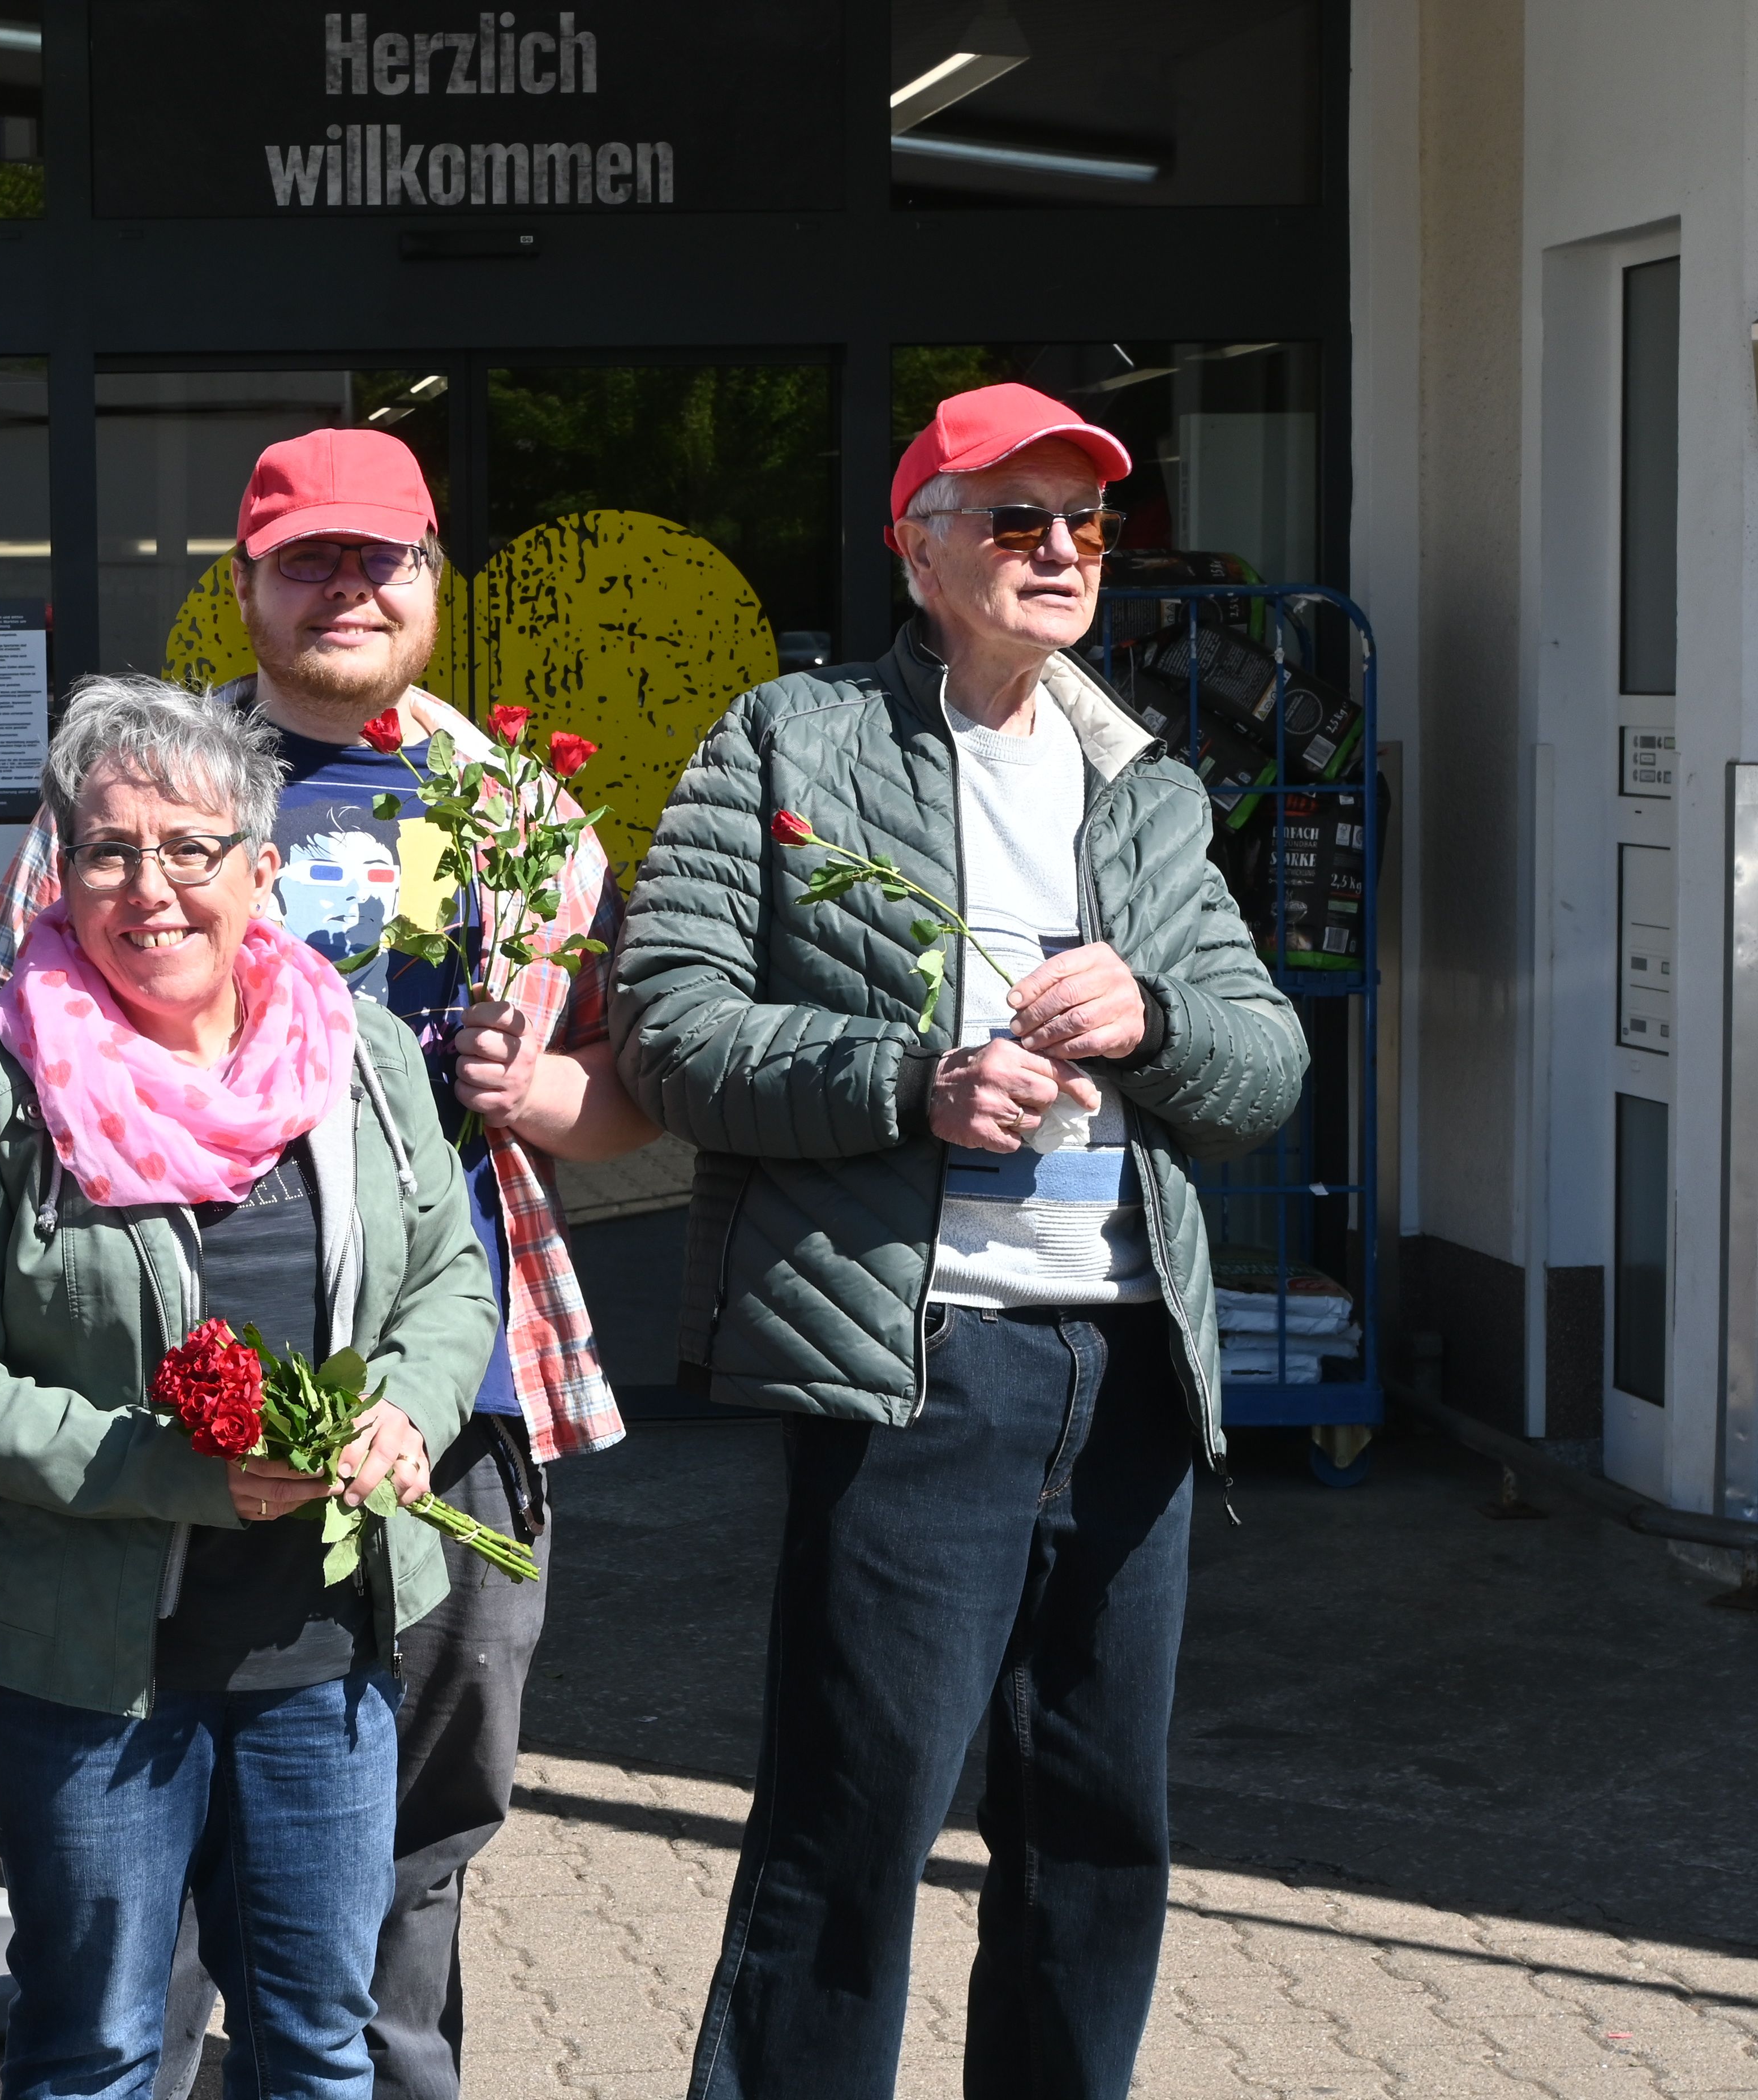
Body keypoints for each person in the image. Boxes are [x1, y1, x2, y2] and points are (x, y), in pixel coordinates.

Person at [613, 382, 1309, 2098]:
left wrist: (1149, 1019)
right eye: (1018, 518)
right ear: (917, 547)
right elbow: (671, 1028)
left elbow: (1266, 1064)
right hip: (923, 1364)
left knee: (1098, 1836)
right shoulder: (793, 742)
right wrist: (905, 1082)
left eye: (1089, 524)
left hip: (1129, 1365)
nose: (1063, 551)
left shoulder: (1141, 782)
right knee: (852, 1832)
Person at [0, 426, 654, 2098]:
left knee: (415, 1845)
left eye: (385, 559)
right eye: (313, 560)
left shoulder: (529, 819)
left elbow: (625, 1102)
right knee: (161, 1852)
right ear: (247, 585)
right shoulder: (138, 799)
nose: (349, 587)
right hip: (183, 1407)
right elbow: (29, 1073)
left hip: (453, 1405)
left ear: (433, 584)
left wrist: (547, 1094)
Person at [0, 674, 496, 2100]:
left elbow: (452, 1280)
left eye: (190, 848)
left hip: (321, 1650)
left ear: (260, 870)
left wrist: (406, 1405)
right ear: (59, 867)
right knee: (97, 2042)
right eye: (107, 848)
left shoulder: (361, 1057)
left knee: (317, 2041)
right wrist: (176, 1473)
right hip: (85, 1658)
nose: (148, 886)